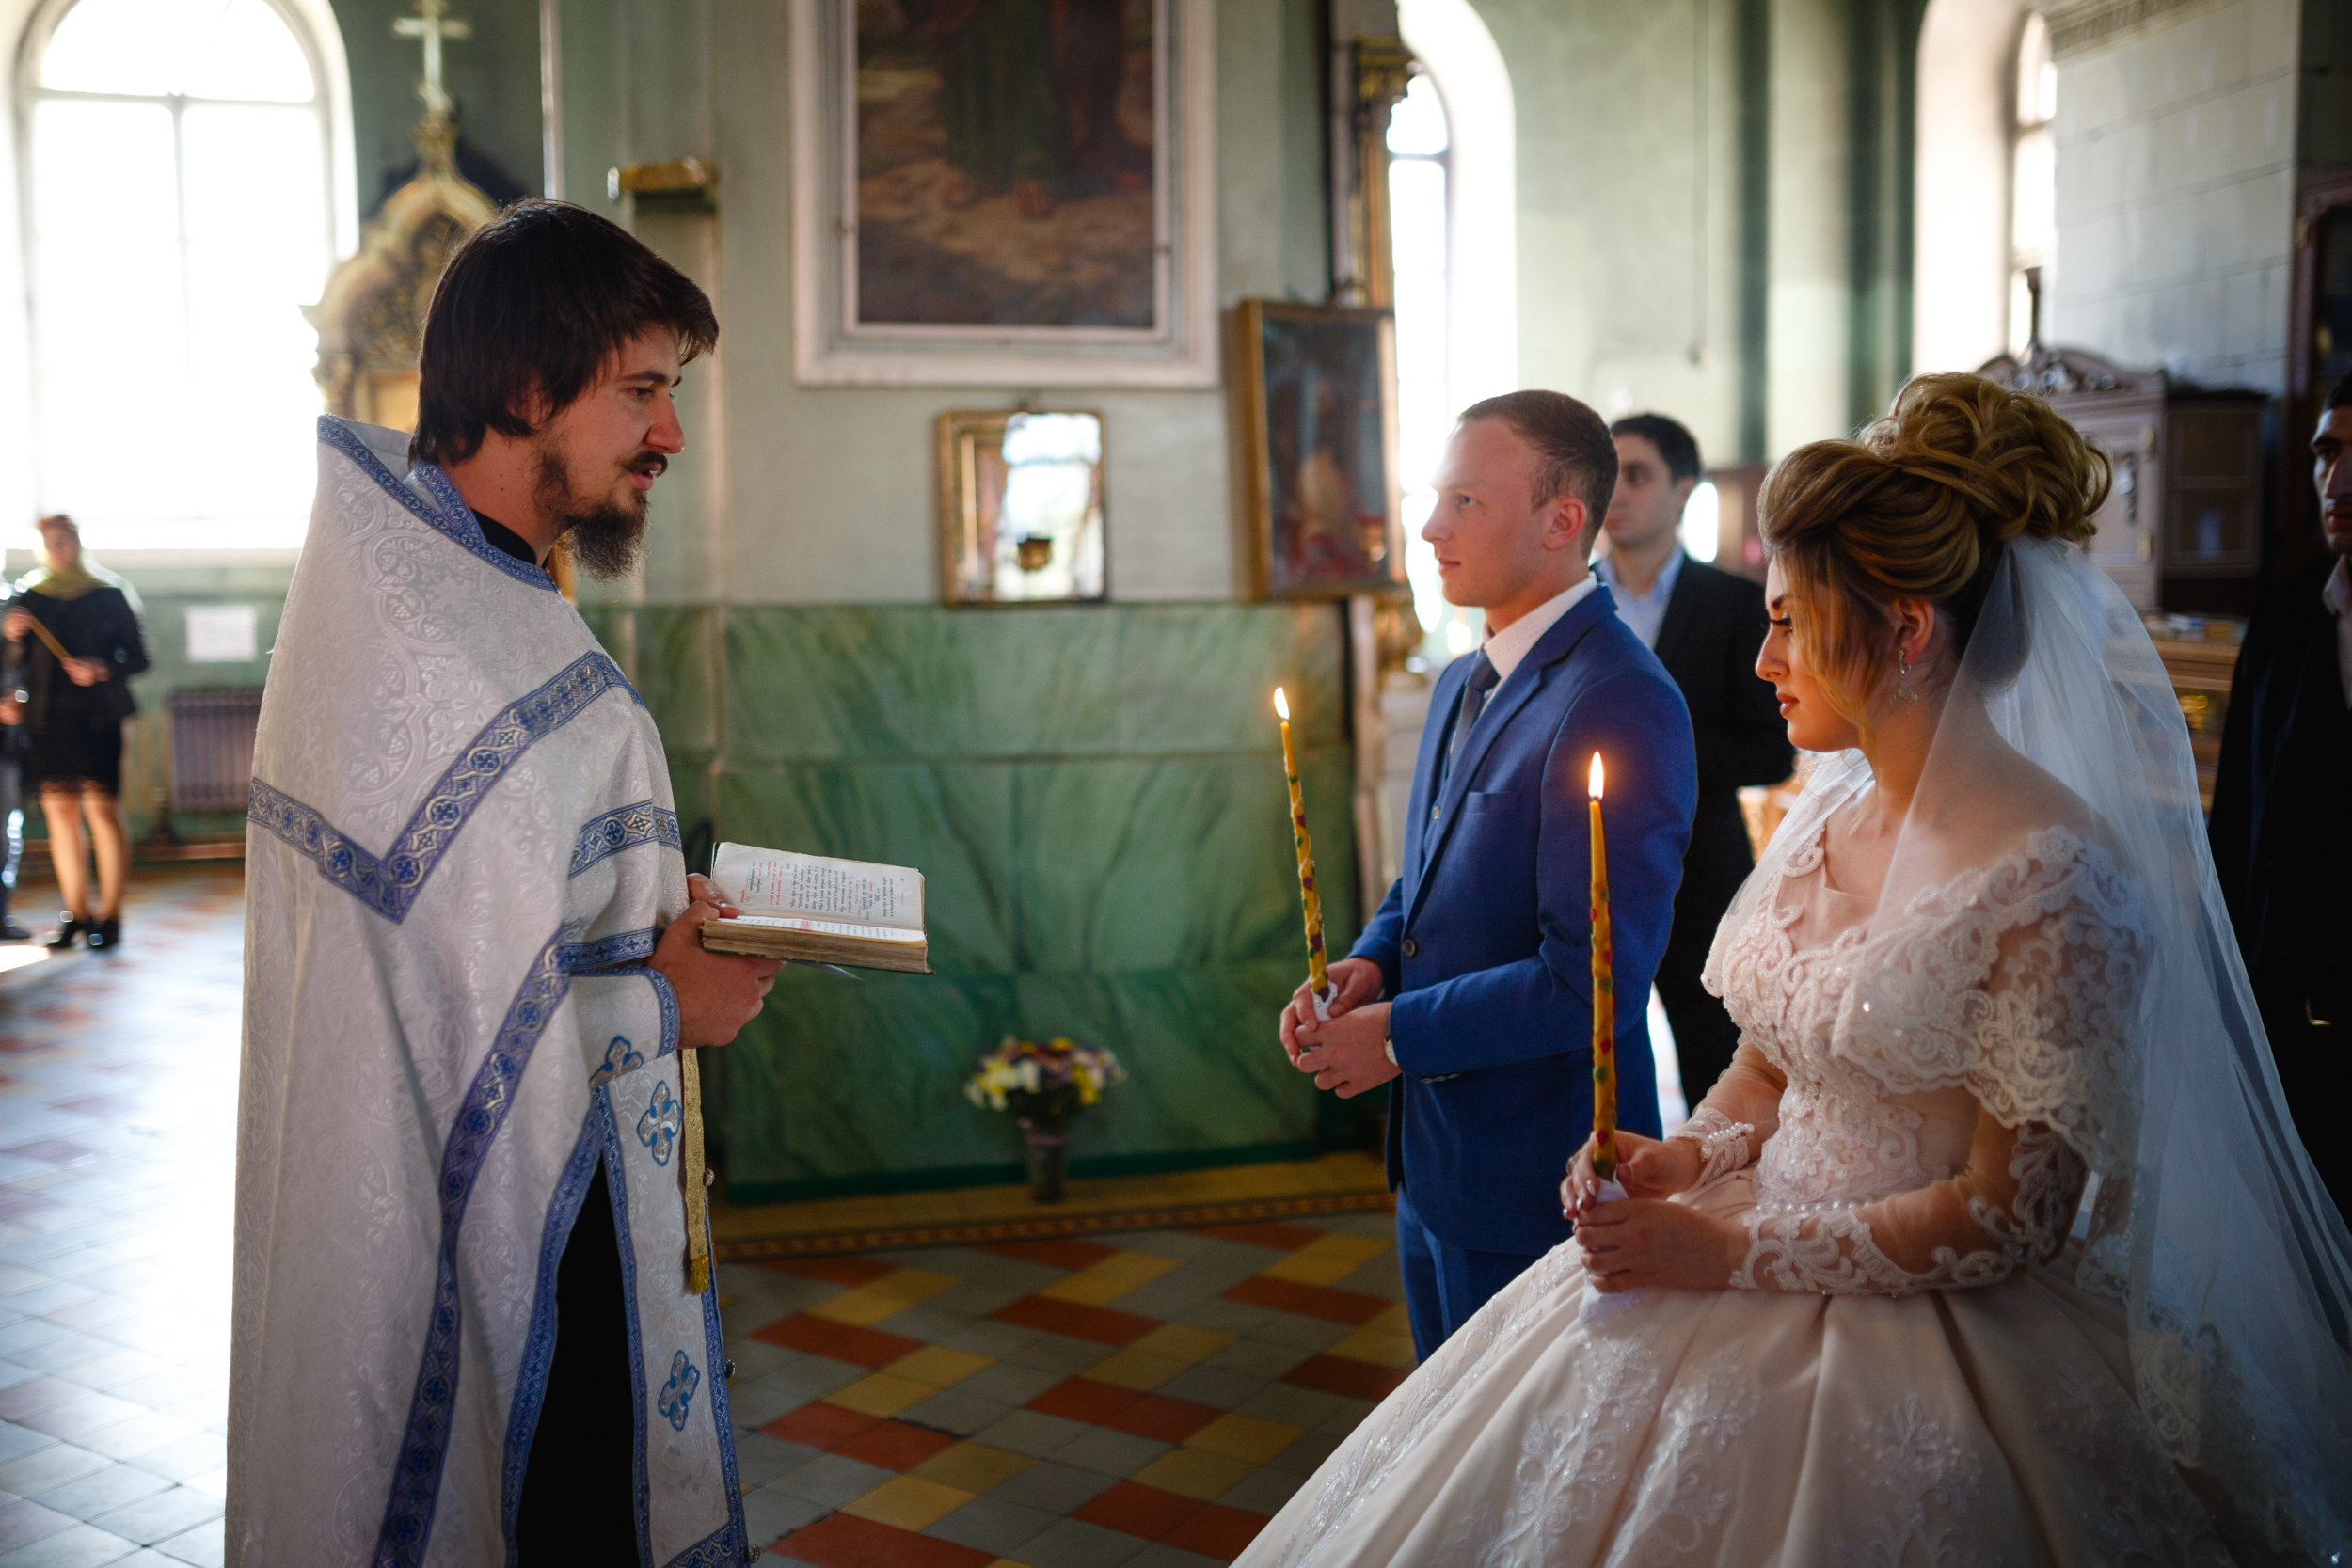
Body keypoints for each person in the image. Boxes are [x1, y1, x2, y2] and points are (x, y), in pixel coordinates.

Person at [1236, 373, 2352, 1566]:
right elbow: (1772, 1059)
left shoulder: (2056, 873)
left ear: (1906, 630)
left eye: (1788, 620)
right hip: (1738, 1231)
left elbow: (2011, 1213)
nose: (1763, 657)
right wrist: (1688, 1154)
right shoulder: (1826, 815)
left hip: (1935, 1338)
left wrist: (1725, 1252)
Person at [230, 201, 781, 1566]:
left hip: (534, 1202)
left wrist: (643, 917)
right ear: (530, 387)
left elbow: (500, 940)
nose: (670, 433)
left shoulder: (441, 592)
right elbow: (457, 1033)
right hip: (510, 1246)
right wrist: (671, 1004)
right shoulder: (451, 654)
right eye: (641, 391)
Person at [1280, 390, 1695, 1360]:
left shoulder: (1616, 698)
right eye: (1437, 498)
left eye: (1464, 501)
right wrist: (1372, 963)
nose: (1430, 527)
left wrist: (1398, 1036)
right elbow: (1427, 880)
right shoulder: (1462, 678)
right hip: (1436, 1162)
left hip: (1539, 1178)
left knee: (1524, 1450)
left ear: (1561, 521)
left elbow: (1589, 979)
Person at [1594, 413, 1793, 1101]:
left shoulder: (1735, 603)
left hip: (1700, 870)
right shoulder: (1571, 600)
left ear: (1683, 491)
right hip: (1587, 870)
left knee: (1715, 1066)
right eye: (1607, 475)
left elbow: (1770, 752)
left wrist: (1657, 753)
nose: (1616, 492)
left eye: (1637, 475)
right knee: (1592, 1075)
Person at [2208, 370, 2352, 1213]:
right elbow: (2239, 818)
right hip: (2286, 1016)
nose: (2339, 479)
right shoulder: (2287, 616)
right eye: (2327, 453)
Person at [2, 515, 148, 950]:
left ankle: (111, 915)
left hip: (97, 717)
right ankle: (77, 914)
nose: (58, 549)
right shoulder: (28, 596)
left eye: (65, 540)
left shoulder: (109, 592)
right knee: (60, 816)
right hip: (45, 720)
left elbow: (139, 658)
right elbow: (13, 663)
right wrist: (11, 638)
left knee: (102, 811)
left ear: (78, 542)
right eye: (50, 542)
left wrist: (102, 669)